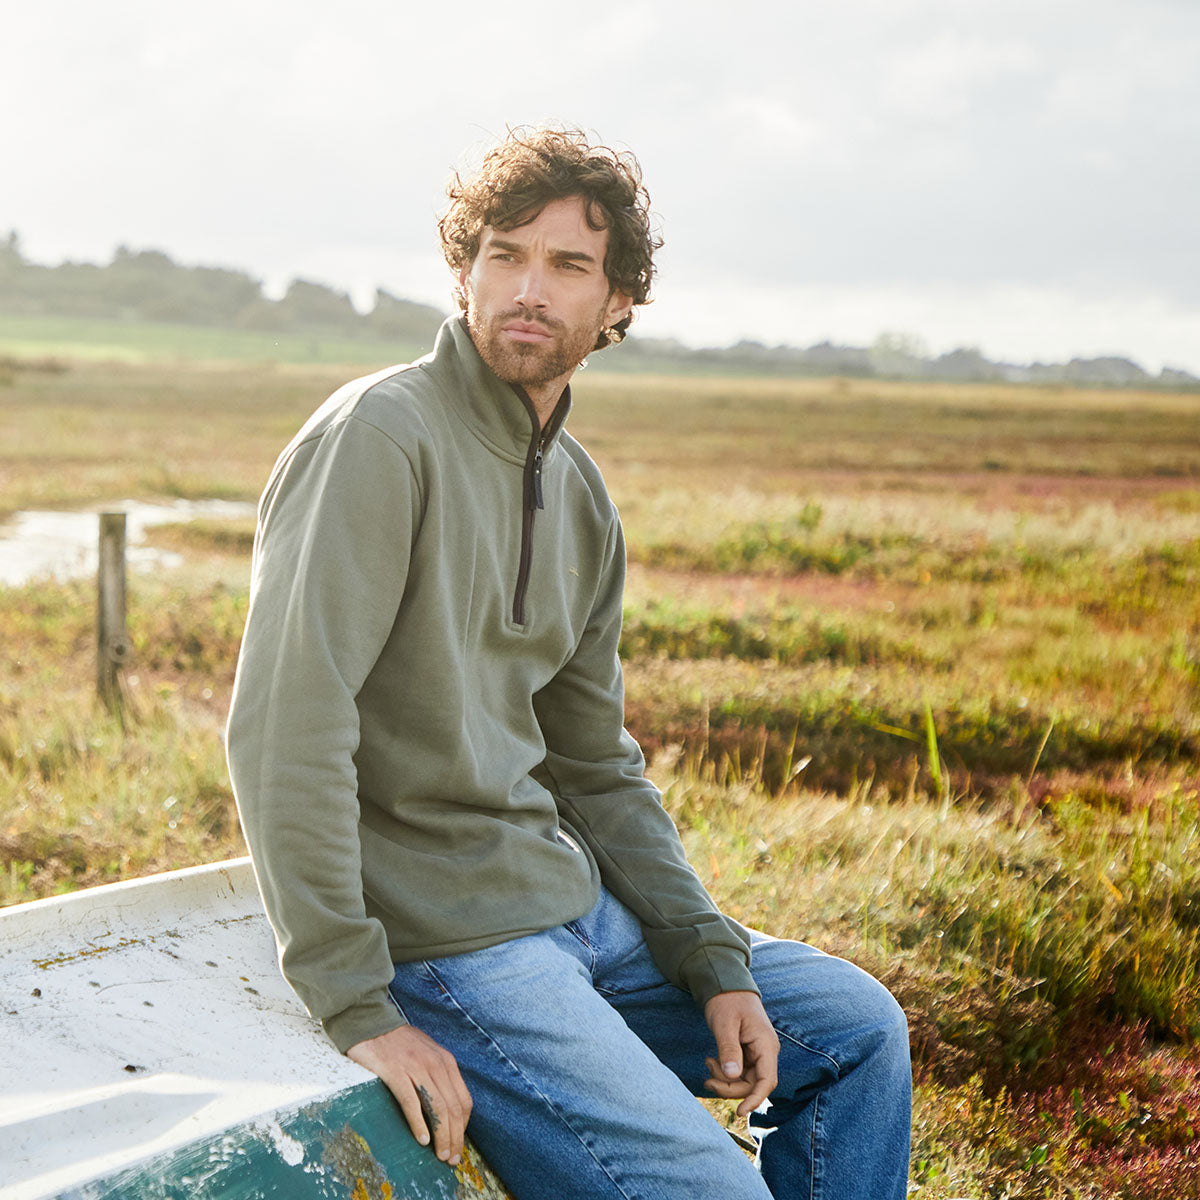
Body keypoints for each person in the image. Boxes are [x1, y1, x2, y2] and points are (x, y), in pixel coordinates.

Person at [226, 126, 912, 1200]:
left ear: (619, 302)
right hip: (452, 945)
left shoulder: (581, 493)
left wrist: (709, 956)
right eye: (504, 254)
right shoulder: (380, 436)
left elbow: (595, 762)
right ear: (464, 274)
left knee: (858, 1029)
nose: (528, 289)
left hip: (576, 914)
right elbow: (286, 729)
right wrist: (358, 1007)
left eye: (568, 265)